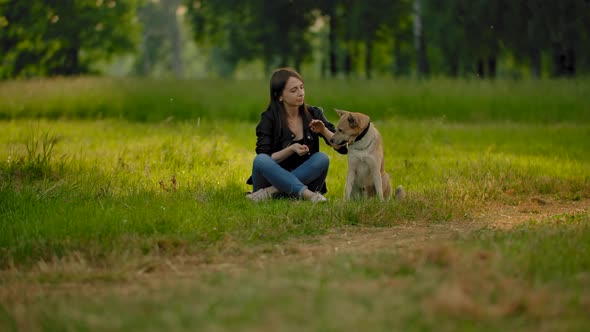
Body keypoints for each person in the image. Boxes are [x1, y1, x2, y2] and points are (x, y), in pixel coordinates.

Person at [246, 67, 348, 202]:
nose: (301, 93)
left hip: (300, 182)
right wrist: (290, 149)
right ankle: (309, 195)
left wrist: (324, 130)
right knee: (260, 160)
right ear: (280, 96)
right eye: (294, 90)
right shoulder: (269, 118)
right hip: (271, 179)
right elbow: (266, 158)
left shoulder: (314, 114)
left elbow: (342, 148)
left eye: (301, 87)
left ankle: (271, 192)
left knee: (322, 158)